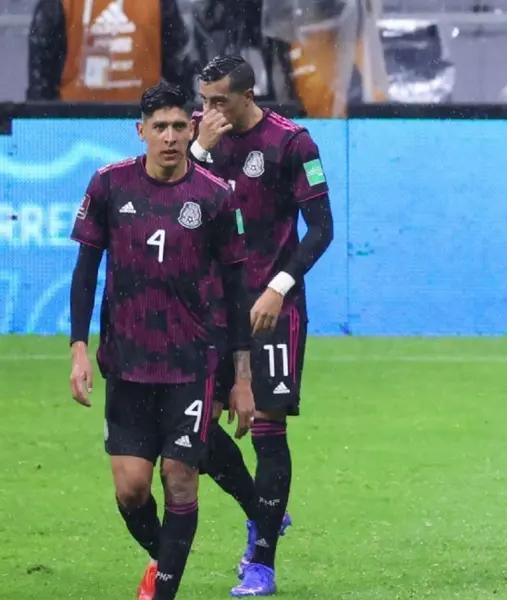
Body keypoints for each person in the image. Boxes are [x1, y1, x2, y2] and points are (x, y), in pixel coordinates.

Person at [68, 81, 250, 600]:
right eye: (160, 127)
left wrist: (240, 378)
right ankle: (163, 556)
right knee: (130, 490)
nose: (170, 137)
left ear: (192, 128)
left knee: (180, 478)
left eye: (178, 127)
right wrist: (78, 348)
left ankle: (162, 590)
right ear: (141, 131)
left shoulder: (215, 196)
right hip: (125, 365)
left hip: (191, 365)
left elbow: (237, 292)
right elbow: (85, 272)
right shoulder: (109, 185)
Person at [190, 54, 335, 596]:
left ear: (247, 95)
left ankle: (262, 562)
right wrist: (199, 147)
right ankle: (261, 509)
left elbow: (322, 229)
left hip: (271, 308)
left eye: (218, 100)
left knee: (269, 431)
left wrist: (279, 285)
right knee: (196, 432)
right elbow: (172, 200)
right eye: (202, 100)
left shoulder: (291, 143)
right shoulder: (199, 141)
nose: (208, 110)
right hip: (209, 309)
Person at [27, 0, 194, 102]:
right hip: (79, 125)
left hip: (139, 126)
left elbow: (40, 86)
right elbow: (180, 74)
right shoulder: (57, 4)